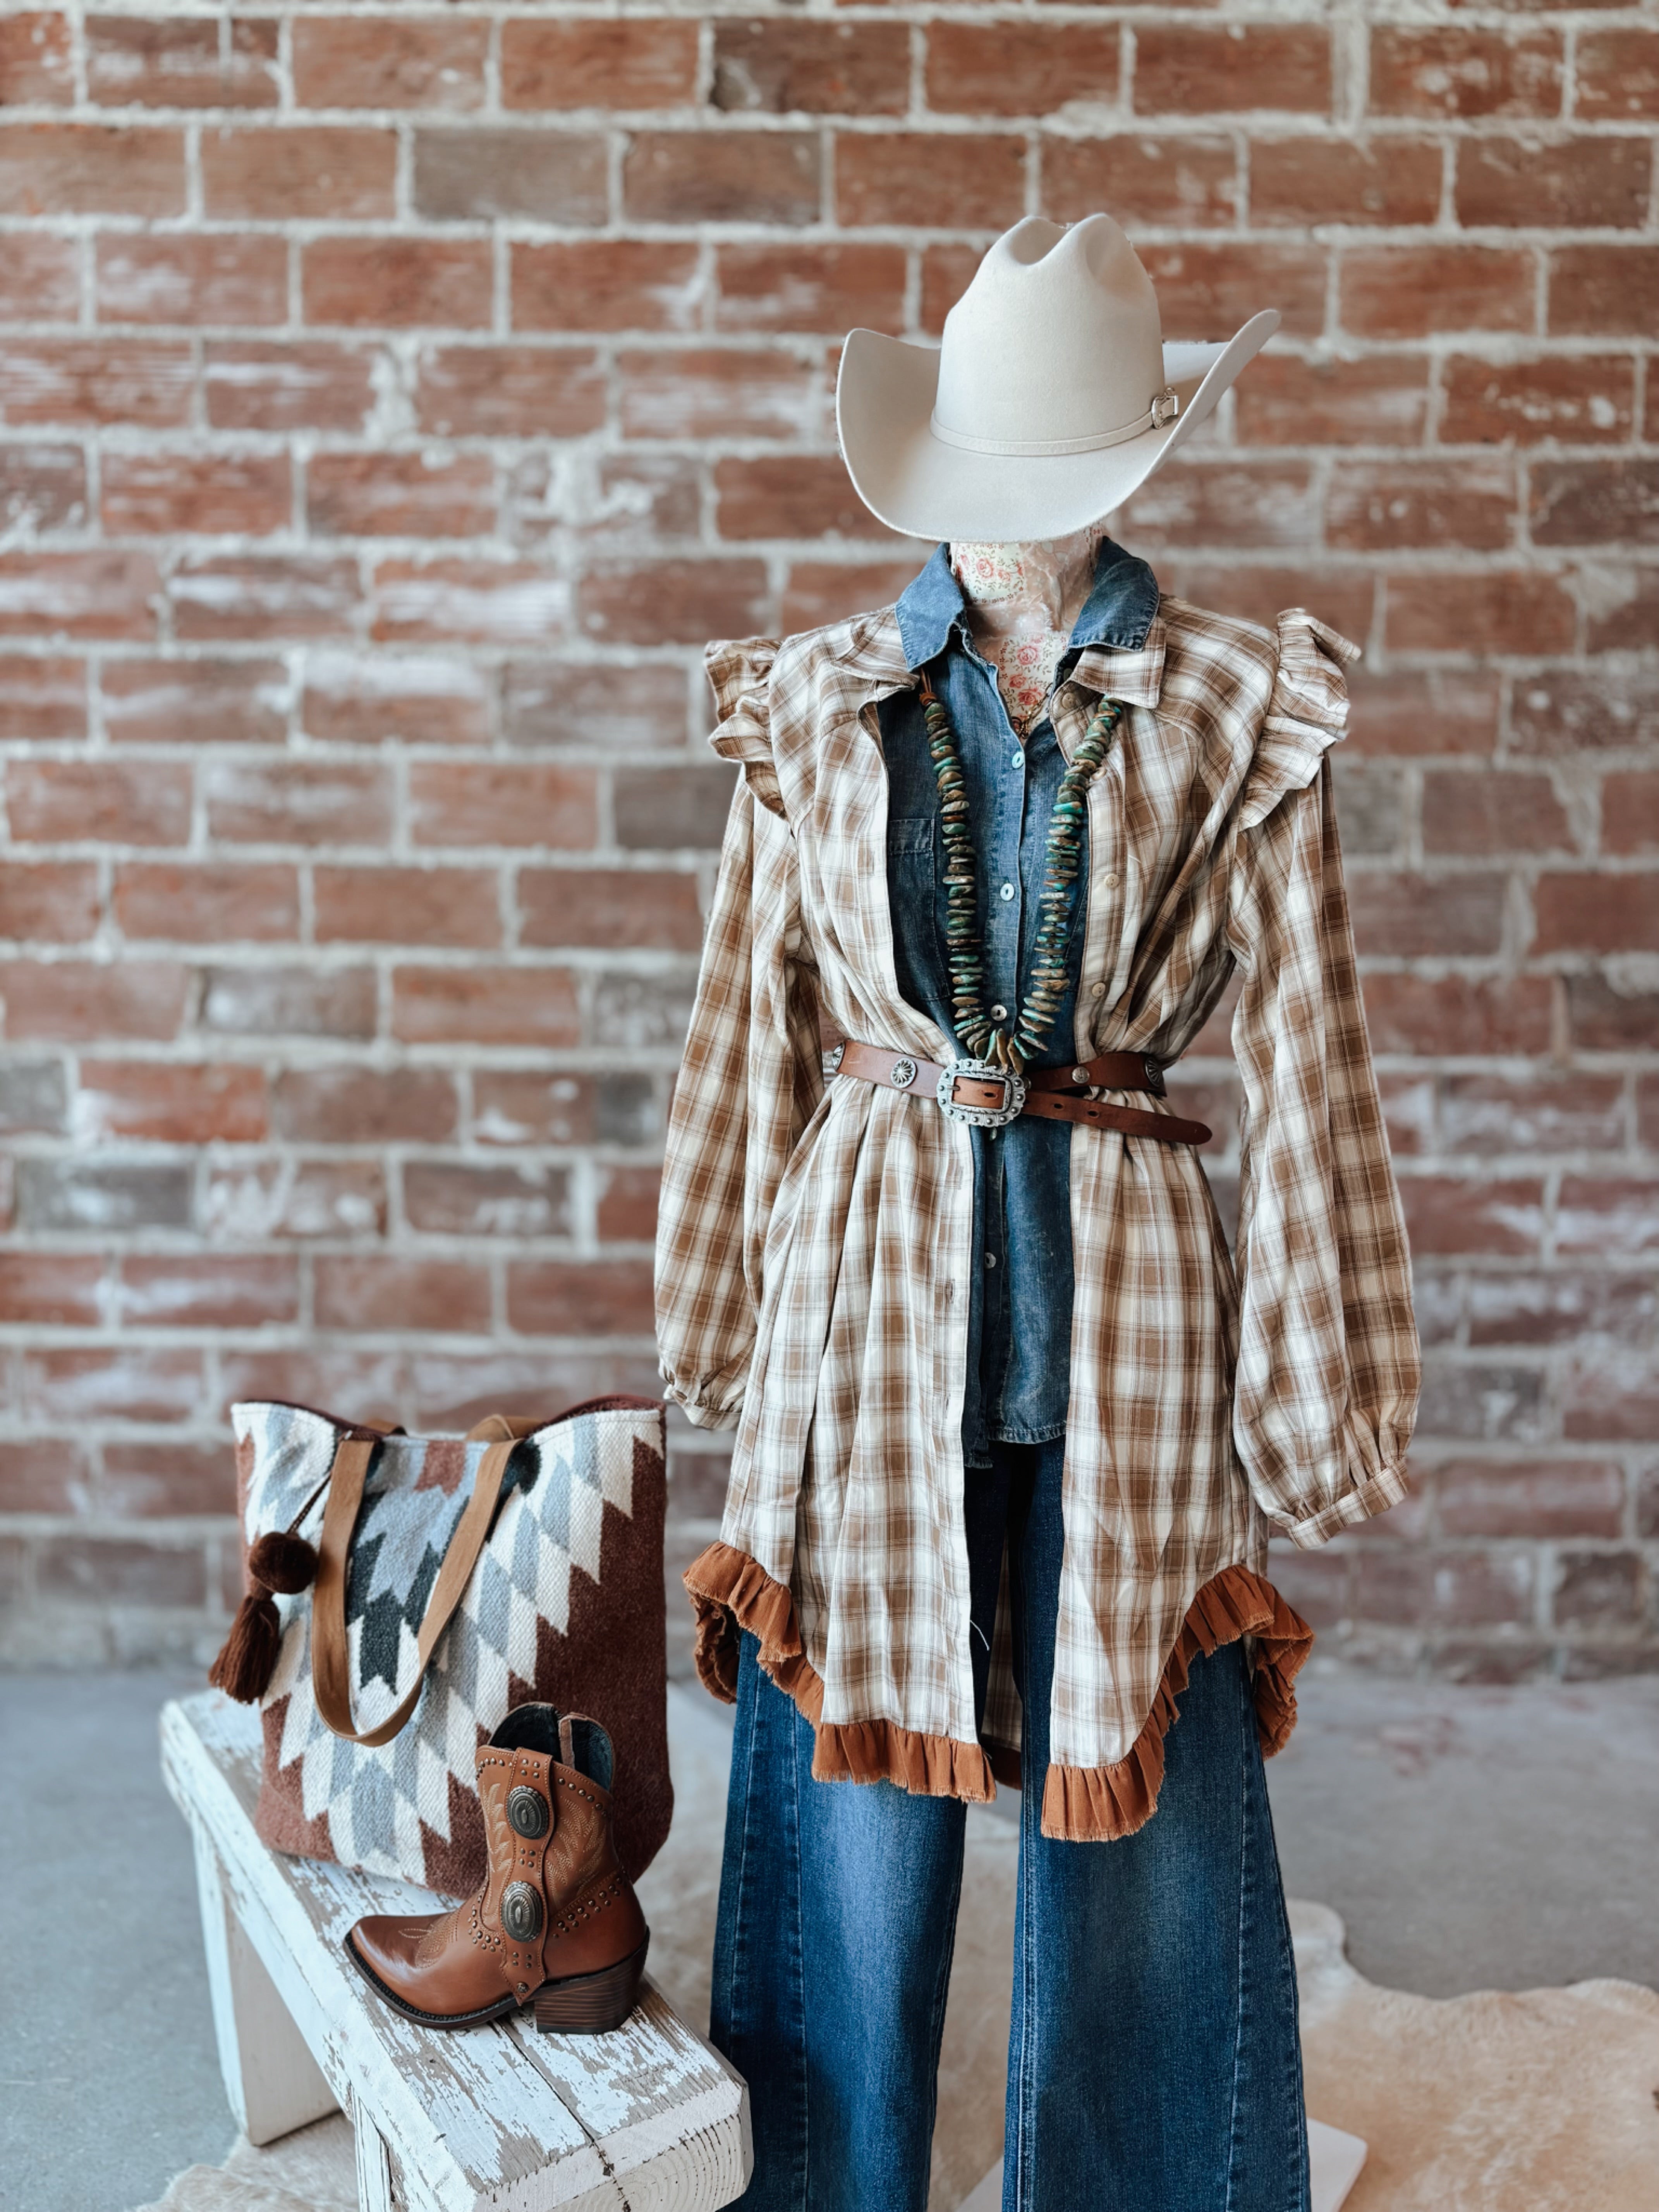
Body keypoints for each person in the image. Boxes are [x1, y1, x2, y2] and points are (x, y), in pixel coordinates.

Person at [654, 213, 1420, 2212]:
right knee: (843, 1785)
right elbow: (749, 1025)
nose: (1017, 529)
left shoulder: (1251, 704)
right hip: (875, 1262)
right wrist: (714, 1307)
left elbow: (1316, 1053)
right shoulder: (808, 701)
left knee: (1142, 1773)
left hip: (1134, 1276)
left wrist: (1321, 1380)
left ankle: (1154, 2183)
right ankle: (824, 2182)